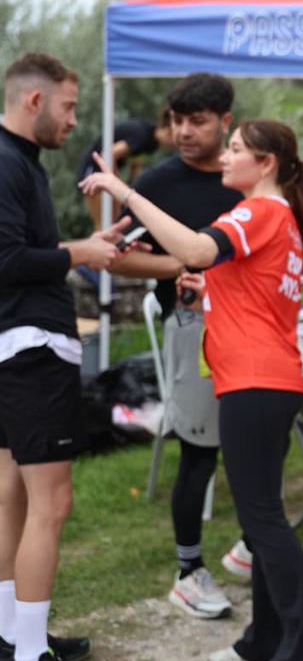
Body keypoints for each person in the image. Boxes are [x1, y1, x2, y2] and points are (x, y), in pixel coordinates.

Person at [81, 120, 303, 661]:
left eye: (237, 149)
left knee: (263, 521)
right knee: (260, 519)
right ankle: (264, 641)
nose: (225, 157)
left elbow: (197, 249)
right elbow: (240, 283)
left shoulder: (258, 211)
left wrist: (125, 192)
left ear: (266, 163)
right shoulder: (279, 217)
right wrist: (209, 290)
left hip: (256, 382)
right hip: (263, 381)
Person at [104, 73, 242, 620]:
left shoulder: (247, 174)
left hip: (253, 326)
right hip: (193, 331)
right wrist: (187, 262)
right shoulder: (158, 183)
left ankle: (255, 548)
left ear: (225, 122)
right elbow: (116, 255)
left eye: (198, 121)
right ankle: (188, 572)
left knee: (271, 436)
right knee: (199, 451)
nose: (184, 132)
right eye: (177, 121)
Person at [0, 54, 118, 661]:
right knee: (52, 502)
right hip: (31, 347)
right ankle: (27, 654)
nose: (75, 121)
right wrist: (83, 251)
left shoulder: (19, 161)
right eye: (69, 107)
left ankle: (13, 637)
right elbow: (8, 260)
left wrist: (83, 249)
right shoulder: (7, 162)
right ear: (35, 102)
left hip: (12, 349)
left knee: (11, 495)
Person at [78, 113, 173, 230]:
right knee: (103, 224)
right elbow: (107, 155)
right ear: (168, 131)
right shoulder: (142, 135)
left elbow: (135, 165)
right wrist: (117, 184)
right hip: (94, 171)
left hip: (107, 174)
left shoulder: (152, 144)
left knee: (115, 222)